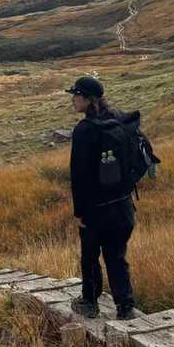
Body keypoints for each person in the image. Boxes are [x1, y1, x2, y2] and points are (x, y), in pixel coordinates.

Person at [65, 75, 142, 320]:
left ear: (88, 99)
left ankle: (89, 302)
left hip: (96, 209)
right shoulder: (119, 120)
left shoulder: (84, 130)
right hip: (123, 205)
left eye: (76, 95)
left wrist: (80, 213)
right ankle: (126, 308)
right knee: (117, 256)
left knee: (90, 257)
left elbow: (78, 176)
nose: (73, 99)